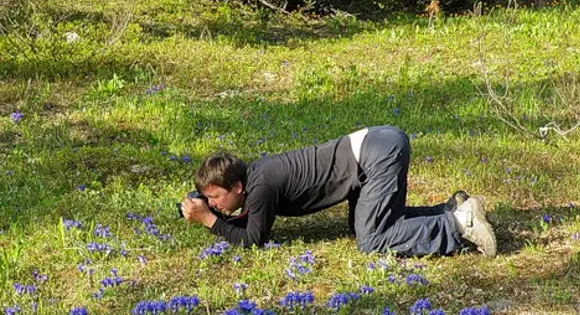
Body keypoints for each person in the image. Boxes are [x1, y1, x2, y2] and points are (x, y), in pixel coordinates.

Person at [181, 126, 497, 257]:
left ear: (237, 186)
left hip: (375, 154)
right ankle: (449, 210)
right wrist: (210, 212)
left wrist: (209, 220)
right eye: (208, 200)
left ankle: (459, 225)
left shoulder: (261, 187)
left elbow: (253, 238)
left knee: (372, 240)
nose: (213, 204)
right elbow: (250, 222)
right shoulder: (256, 178)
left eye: (215, 197)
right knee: (367, 226)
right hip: (375, 145)